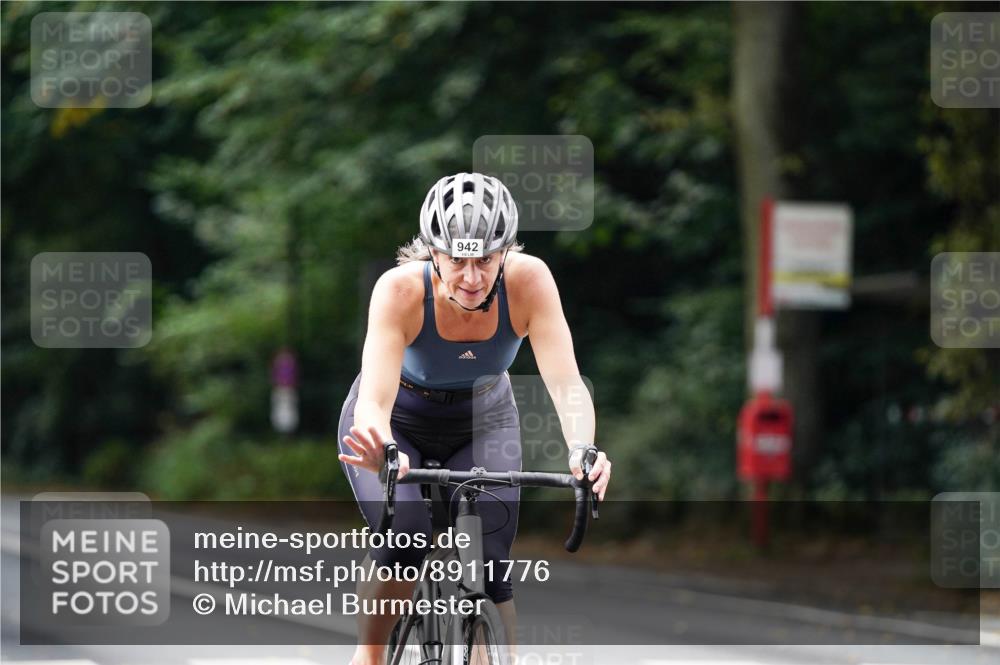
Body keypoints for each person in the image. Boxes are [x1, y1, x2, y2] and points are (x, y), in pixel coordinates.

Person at [337, 172, 612, 665]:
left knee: (492, 562)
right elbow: (374, 399)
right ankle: (371, 654)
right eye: (456, 260)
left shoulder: (530, 282)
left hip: (484, 420)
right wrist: (380, 444)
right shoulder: (399, 291)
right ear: (432, 253)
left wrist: (582, 451)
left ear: (506, 252)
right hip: (396, 423)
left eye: (485, 260)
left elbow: (568, 385)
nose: (471, 276)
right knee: (408, 537)